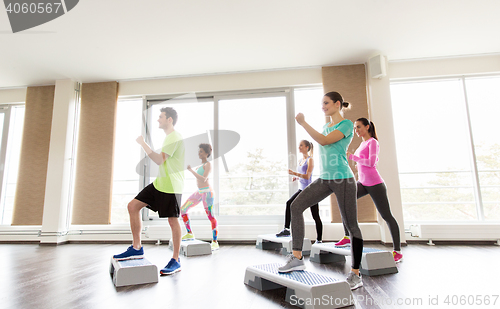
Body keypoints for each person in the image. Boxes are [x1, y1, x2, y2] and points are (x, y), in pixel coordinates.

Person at [278, 91, 364, 290]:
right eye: (322, 103)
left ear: (337, 104)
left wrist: (304, 123)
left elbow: (325, 141)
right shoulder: (326, 126)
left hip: (342, 178)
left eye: (326, 103)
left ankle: (355, 274)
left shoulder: (346, 124)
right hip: (325, 178)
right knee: (296, 206)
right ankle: (297, 256)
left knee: (351, 225)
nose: (323, 106)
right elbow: (322, 139)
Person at [113, 107, 185, 276]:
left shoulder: (174, 137)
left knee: (173, 221)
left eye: (161, 117)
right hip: (160, 183)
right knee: (133, 206)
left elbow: (159, 160)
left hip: (172, 187)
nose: (158, 119)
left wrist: (142, 143)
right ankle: (137, 247)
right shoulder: (169, 137)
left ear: (170, 120)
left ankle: (176, 259)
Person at [334, 118, 403, 262]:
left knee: (386, 216)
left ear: (367, 127)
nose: (356, 130)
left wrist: (353, 157)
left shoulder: (373, 142)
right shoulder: (362, 143)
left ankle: (397, 251)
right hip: (363, 183)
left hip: (375, 184)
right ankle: (347, 237)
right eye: (354, 128)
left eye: (358, 127)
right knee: (345, 202)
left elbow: (371, 163)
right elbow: (363, 164)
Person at [276, 140, 323, 244]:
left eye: (301, 145)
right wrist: (296, 178)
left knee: (315, 215)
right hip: (302, 189)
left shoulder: (310, 160)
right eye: (299, 145)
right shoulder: (301, 160)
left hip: (310, 191)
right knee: (289, 203)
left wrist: (294, 173)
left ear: (307, 147)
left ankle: (319, 239)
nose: (299, 147)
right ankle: (287, 229)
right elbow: (302, 176)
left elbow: (307, 176)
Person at [180, 143, 219, 251]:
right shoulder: (200, 166)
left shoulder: (208, 165)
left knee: (211, 216)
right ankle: (189, 233)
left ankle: (215, 242)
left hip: (207, 193)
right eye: (199, 151)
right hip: (199, 192)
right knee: (183, 209)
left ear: (207, 153)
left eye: (201, 151)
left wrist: (191, 171)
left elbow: (203, 179)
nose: (199, 153)